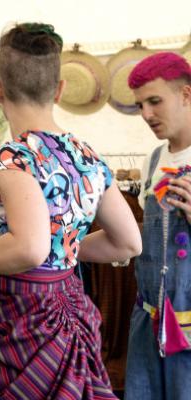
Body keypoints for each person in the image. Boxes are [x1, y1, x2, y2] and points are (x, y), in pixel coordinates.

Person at [0, 23, 142, 399]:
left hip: (20, 315)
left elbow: (29, 248)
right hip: (67, 302)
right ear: (60, 89)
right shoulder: (87, 156)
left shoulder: (12, 157)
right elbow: (128, 243)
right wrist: (63, 244)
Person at [124, 52, 191, 400]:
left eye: (154, 101)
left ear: (186, 94)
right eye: (140, 106)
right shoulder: (151, 161)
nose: (146, 115)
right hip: (149, 324)